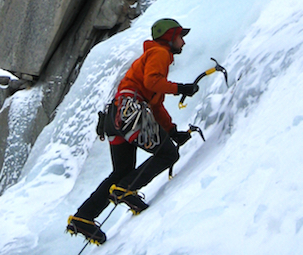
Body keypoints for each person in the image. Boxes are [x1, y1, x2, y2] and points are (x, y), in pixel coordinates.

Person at [66, 18, 199, 245]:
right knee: (167, 154)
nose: (183, 42)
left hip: (116, 117)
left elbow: (156, 105)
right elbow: (153, 82)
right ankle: (127, 189)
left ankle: (84, 217)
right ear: (169, 37)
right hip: (130, 111)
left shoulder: (151, 57)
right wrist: (180, 88)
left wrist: (172, 131)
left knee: (122, 171)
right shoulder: (160, 53)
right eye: (180, 37)